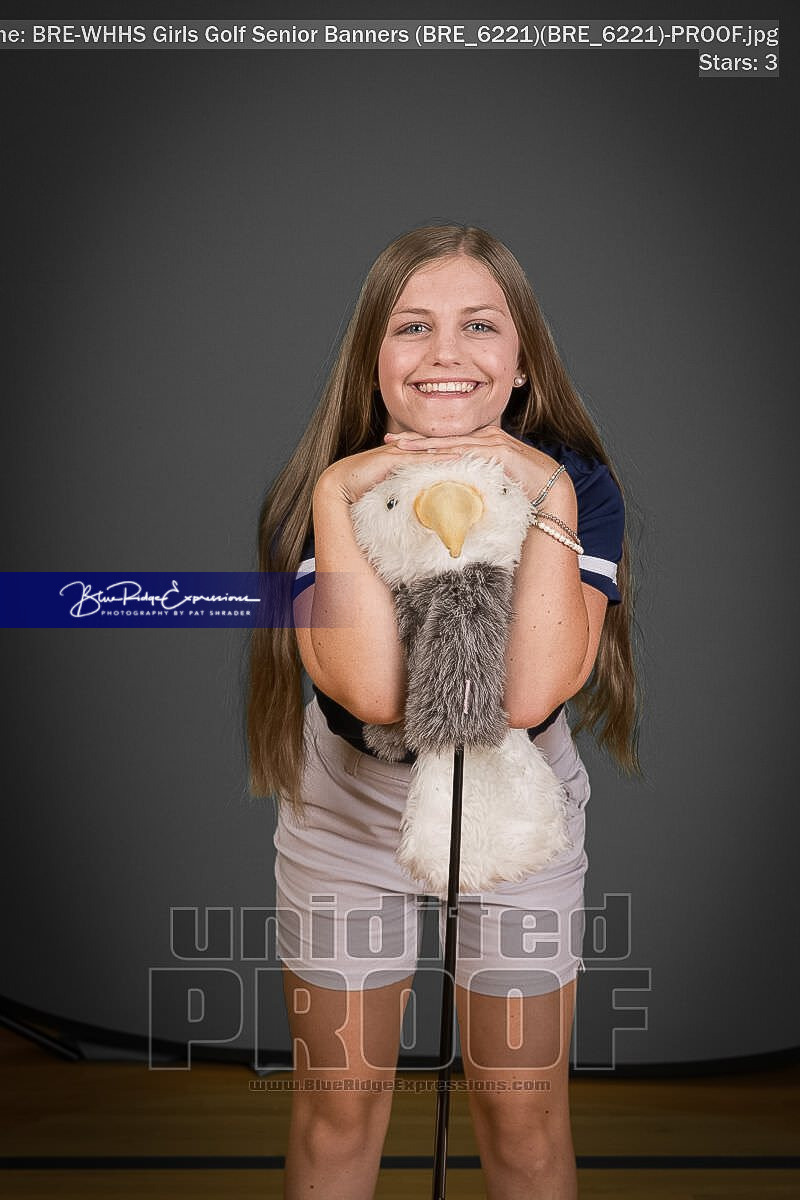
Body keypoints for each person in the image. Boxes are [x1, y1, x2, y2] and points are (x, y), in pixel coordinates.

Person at [247, 224, 640, 1199]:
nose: (445, 353)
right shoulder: (322, 487)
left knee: (522, 1117)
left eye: (479, 325)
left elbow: (528, 692)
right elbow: (375, 693)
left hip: (516, 793)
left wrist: (548, 492)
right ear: (373, 358)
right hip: (351, 801)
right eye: (412, 326)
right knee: (338, 1110)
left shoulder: (576, 482)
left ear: (521, 361)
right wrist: (335, 497)